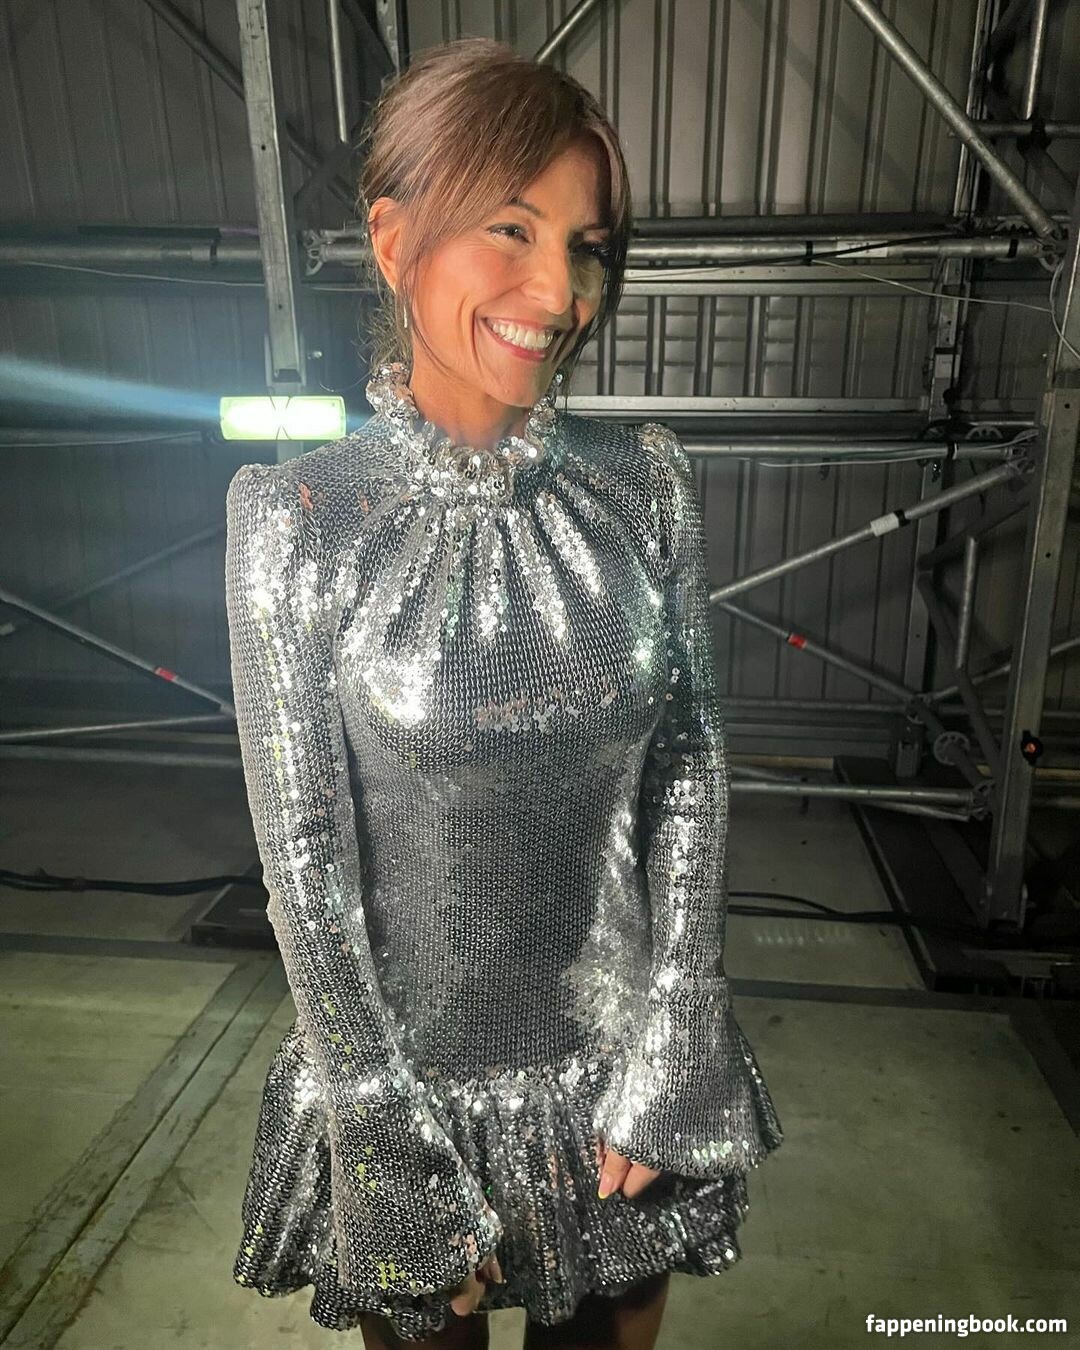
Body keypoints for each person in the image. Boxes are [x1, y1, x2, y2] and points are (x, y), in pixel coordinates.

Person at [225, 35, 783, 1350]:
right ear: (393, 239)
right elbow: (304, 859)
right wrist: (377, 1126)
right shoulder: (300, 517)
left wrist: (678, 1033)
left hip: (618, 1088)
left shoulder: (645, 486)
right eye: (512, 231)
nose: (559, 290)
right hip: (412, 1089)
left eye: (587, 247)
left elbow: (688, 768)